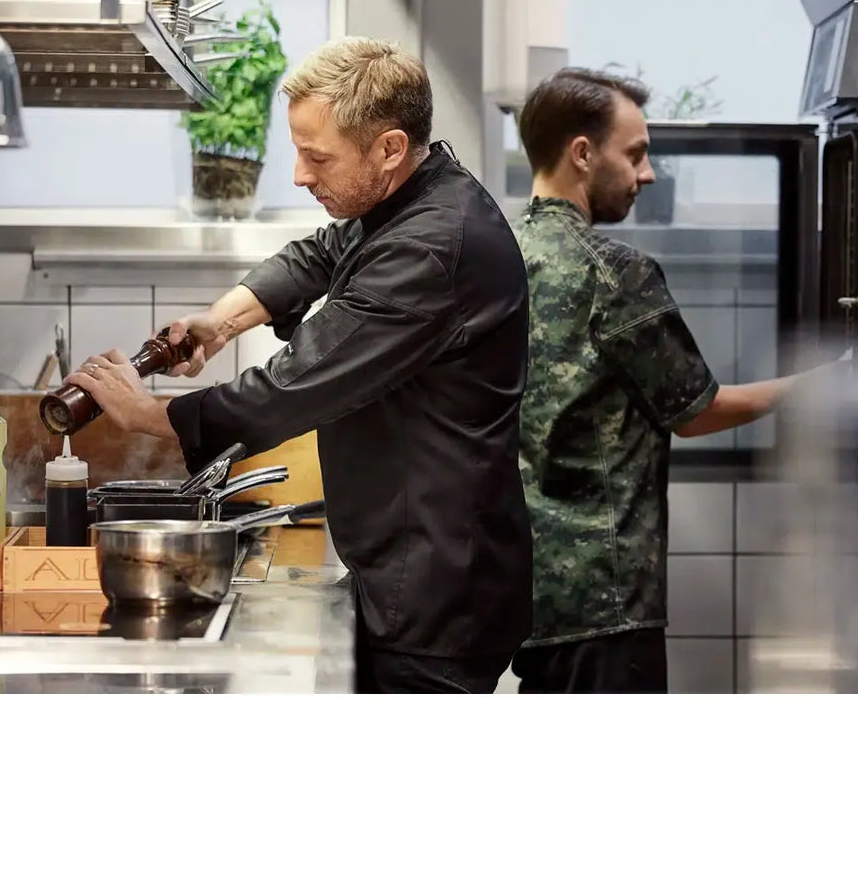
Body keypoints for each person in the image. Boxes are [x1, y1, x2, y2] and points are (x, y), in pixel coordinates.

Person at [67, 36, 533, 694]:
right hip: (415, 566)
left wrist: (144, 413)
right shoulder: (409, 198)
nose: (298, 175)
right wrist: (220, 321)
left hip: (436, 595)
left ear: (390, 148)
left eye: (318, 157)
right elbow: (319, 254)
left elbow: (287, 391)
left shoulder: (429, 250)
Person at [510, 66, 809, 694]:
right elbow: (697, 411)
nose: (647, 174)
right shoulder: (616, 273)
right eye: (636, 154)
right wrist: (813, 383)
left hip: (526, 591)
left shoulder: (499, 257)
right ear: (582, 153)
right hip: (606, 599)